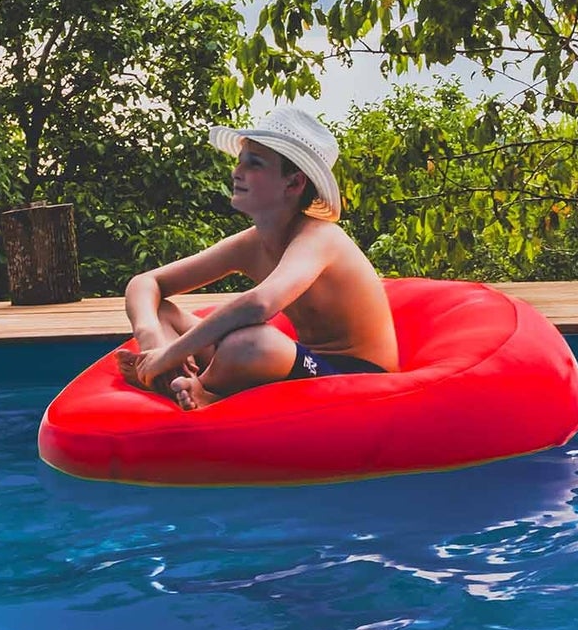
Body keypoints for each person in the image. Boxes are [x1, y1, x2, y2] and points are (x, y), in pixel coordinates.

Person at [117, 106, 399, 408]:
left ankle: (202, 391)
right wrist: (153, 344)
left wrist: (171, 354)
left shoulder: (319, 237)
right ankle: (172, 379)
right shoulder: (252, 243)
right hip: (298, 362)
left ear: (293, 183)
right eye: (240, 161)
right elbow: (146, 282)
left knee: (251, 343)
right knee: (163, 311)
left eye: (254, 164)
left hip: (355, 376)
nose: (237, 172)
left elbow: (260, 304)